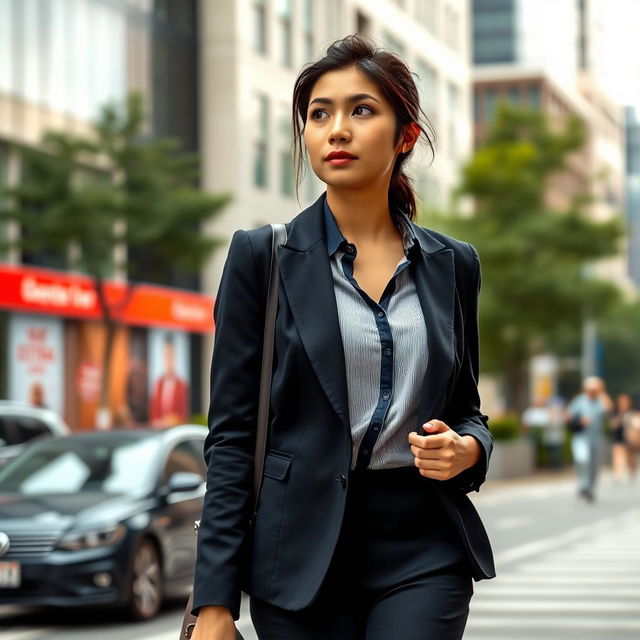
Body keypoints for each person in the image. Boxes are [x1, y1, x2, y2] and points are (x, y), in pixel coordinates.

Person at [191, 34, 495, 640]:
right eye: (319, 114)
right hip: (296, 556)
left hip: (422, 549)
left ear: (405, 136)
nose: (336, 130)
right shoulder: (262, 258)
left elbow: (467, 409)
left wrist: (469, 449)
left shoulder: (454, 265)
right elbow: (230, 438)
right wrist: (214, 602)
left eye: (361, 110)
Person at [566, 376, 613, 502]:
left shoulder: (600, 401)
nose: (592, 392)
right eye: (590, 389)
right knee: (583, 460)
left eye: (595, 390)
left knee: (594, 466)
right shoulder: (579, 401)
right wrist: (580, 421)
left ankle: (590, 488)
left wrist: (602, 391)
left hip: (596, 438)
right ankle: (583, 485)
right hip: (581, 437)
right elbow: (569, 416)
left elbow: (609, 409)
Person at [149, 333, 189, 428]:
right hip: (158, 430)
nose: (168, 360)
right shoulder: (158, 383)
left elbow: (183, 415)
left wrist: (173, 420)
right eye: (166, 355)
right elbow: (153, 413)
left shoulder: (181, 384)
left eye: (170, 356)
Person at [610, 393, 634, 482]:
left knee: (629, 458)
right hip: (618, 437)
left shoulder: (632, 412)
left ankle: (632, 471)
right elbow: (612, 425)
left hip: (629, 438)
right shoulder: (615, 412)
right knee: (617, 456)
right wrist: (621, 415)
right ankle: (617, 474)